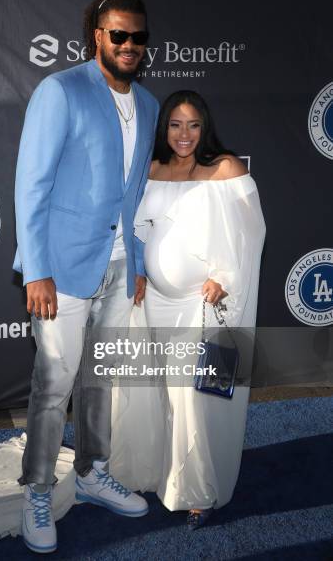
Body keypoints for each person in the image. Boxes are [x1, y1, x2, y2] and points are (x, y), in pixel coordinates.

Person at [11, 0, 159, 553]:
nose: (128, 45)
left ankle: (94, 471)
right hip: (63, 269)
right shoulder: (61, 90)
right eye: (117, 34)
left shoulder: (147, 104)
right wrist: (37, 269)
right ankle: (38, 488)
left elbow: (137, 193)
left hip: (121, 266)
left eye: (137, 37)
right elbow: (33, 185)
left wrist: (139, 261)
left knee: (100, 379)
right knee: (53, 386)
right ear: (96, 34)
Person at [109, 90, 265, 530]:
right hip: (155, 303)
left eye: (193, 125)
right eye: (176, 125)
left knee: (196, 400)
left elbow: (251, 236)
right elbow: (139, 230)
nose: (184, 134)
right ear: (165, 129)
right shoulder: (154, 170)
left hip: (202, 306)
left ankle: (198, 492)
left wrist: (226, 279)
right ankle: (160, 472)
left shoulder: (227, 170)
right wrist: (138, 272)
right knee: (161, 394)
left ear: (205, 127)